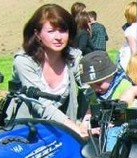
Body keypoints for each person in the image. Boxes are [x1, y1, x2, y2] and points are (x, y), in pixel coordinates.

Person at [12, 4, 86, 136]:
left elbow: (90, 88)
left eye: (63, 30)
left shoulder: (74, 56)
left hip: (60, 130)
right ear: (37, 34)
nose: (58, 37)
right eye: (51, 31)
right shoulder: (24, 61)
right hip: (25, 131)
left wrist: (87, 120)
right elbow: (40, 104)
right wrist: (75, 129)